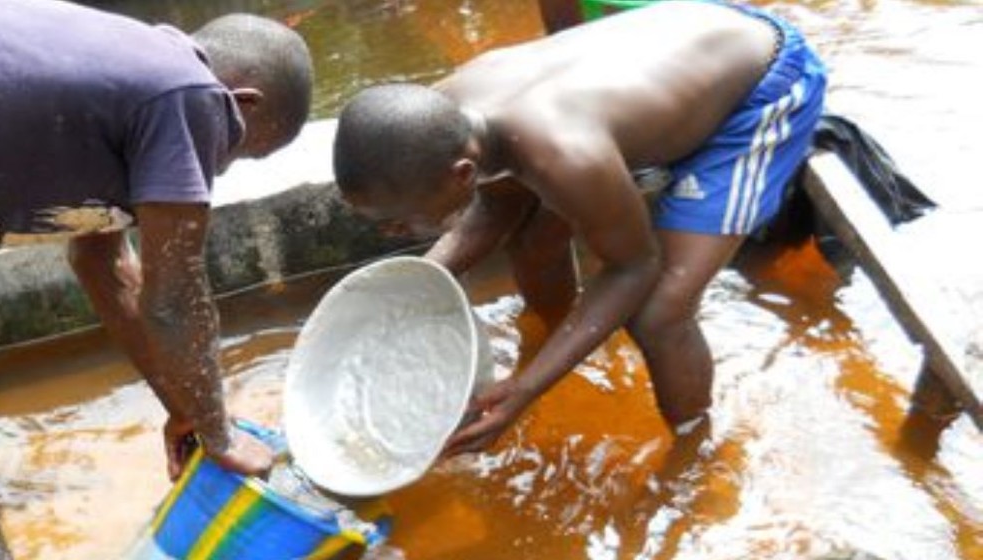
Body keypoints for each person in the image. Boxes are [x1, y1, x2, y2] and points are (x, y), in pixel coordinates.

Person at [0, 0, 313, 556]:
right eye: (240, 155)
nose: (216, 172)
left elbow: (105, 267)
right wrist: (220, 435)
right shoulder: (189, 97)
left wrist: (185, 409)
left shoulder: (125, 81)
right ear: (243, 103)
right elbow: (174, 298)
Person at [332, 0, 826, 456]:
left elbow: (634, 268)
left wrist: (524, 391)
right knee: (532, 243)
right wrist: (411, 286)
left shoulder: (565, 155)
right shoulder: (443, 117)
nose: (393, 232)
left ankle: (694, 447)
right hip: (685, 42)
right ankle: (551, 336)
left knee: (660, 314)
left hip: (763, 83)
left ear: (461, 173)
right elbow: (497, 210)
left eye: (400, 219)